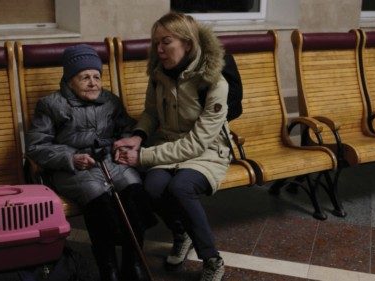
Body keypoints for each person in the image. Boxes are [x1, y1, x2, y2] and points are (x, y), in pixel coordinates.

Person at [114, 12, 229, 281]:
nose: (159, 50)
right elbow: (151, 112)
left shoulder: (214, 82)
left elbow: (197, 142)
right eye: (156, 43)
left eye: (166, 42)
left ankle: (212, 259)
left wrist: (142, 156)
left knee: (181, 187)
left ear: (187, 44)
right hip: (168, 145)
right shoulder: (158, 75)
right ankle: (181, 233)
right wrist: (138, 135)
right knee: (151, 188)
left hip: (207, 151)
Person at [25, 44, 155, 281]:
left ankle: (132, 262)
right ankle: (109, 270)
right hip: (73, 167)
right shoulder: (50, 104)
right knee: (99, 201)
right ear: (69, 80)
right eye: (85, 77)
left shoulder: (110, 101)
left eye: (96, 76)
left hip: (110, 161)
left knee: (134, 190)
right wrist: (71, 158)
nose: (93, 82)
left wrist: (123, 145)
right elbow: (36, 146)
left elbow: (128, 129)